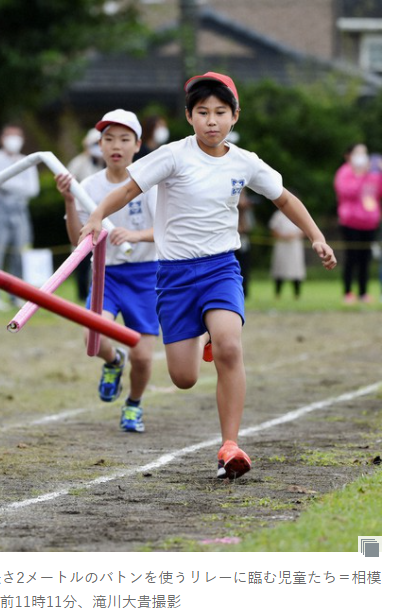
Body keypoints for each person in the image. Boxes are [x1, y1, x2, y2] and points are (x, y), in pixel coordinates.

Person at [78, 72, 336, 479]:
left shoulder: (245, 162)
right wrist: (96, 215)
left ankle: (230, 445)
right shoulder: (173, 156)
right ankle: (205, 333)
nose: (211, 121)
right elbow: (128, 190)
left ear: (235, 116)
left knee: (231, 348)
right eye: (202, 113)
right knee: (183, 378)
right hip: (174, 275)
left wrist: (317, 237)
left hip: (220, 268)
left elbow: (284, 199)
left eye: (220, 112)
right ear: (189, 116)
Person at [56, 109, 159, 433]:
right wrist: (70, 202)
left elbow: (169, 230)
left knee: (143, 357)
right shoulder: (88, 185)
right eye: (109, 139)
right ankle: (114, 362)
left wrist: (136, 235)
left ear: (138, 144)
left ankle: (133, 405)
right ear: (98, 146)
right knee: (93, 339)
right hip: (107, 275)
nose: (116, 146)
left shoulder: (151, 184)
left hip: (146, 275)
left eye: (125, 139)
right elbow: (76, 240)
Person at [0, 124, 40, 311]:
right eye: (9, 135)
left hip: (20, 211)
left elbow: (33, 189)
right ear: (1, 138)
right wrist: (16, 184)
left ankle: (16, 295)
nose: (14, 140)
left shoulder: (27, 160)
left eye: (17, 136)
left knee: (19, 254)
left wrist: (7, 183)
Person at [334, 143, 382, 304]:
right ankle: (347, 292)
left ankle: (363, 293)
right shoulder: (344, 172)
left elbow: (379, 192)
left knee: (365, 259)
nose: (362, 156)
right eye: (358, 152)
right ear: (349, 155)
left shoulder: (373, 174)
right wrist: (361, 176)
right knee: (351, 258)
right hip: (350, 222)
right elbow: (347, 192)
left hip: (369, 223)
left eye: (364, 153)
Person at [67, 128, 104, 300]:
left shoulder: (110, 164)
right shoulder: (79, 162)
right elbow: (69, 186)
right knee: (81, 256)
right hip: (84, 216)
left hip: (105, 218)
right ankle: (82, 294)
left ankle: (98, 292)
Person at [269, 208, 306, 299]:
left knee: (296, 270)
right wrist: (283, 236)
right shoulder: (278, 215)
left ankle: (297, 294)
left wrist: (294, 235)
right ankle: (277, 293)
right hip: (282, 244)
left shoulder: (299, 213)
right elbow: (273, 229)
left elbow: (305, 229)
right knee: (280, 268)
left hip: (295, 245)